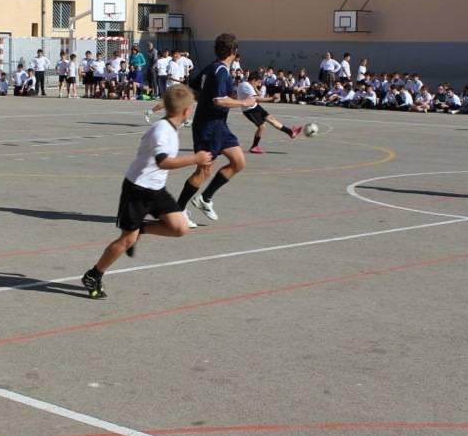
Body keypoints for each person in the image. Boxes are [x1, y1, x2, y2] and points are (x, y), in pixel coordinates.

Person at [79, 84, 211, 299]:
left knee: (180, 227)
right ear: (187, 110)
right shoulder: (162, 131)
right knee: (126, 240)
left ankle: (141, 229)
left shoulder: (170, 127)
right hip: (137, 189)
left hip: (156, 189)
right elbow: (163, 162)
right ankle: (94, 274)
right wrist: (195, 159)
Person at [177, 33, 256, 226]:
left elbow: (193, 89)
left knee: (238, 162)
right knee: (204, 170)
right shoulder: (220, 71)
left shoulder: (211, 68)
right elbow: (219, 100)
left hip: (219, 126)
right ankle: (177, 210)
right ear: (234, 52)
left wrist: (202, 100)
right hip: (208, 127)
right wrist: (244, 102)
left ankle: (205, 198)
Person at [237, 70, 302, 153]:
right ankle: (254, 146)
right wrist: (272, 98)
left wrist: (255, 88)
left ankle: (290, 132)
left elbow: (258, 96)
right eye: (258, 82)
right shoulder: (246, 86)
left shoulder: (249, 85)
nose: (259, 84)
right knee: (262, 126)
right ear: (253, 80)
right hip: (249, 110)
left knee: (271, 119)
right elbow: (258, 99)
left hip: (255, 106)